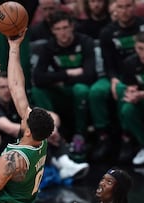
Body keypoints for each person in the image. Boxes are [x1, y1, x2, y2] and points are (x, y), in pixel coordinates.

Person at [0, 30, 55, 202]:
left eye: (25, 119)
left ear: (28, 131)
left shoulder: (12, 159)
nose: (23, 115)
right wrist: (14, 47)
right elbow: (17, 88)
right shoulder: (42, 141)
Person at [31, 10, 97, 160]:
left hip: (79, 89)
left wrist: (57, 79)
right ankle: (51, 132)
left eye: (65, 27)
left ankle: (80, 136)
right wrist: (68, 74)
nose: (63, 32)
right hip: (61, 91)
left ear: (72, 27)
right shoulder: (48, 46)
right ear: (53, 31)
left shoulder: (85, 42)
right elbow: (38, 77)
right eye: (58, 29)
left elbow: (89, 75)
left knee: (81, 89)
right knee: (37, 90)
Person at [92, 0, 144, 161]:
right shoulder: (107, 32)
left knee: (126, 93)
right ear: (114, 9)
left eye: (128, 6)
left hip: (143, 74)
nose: (125, 10)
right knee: (100, 91)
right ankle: (104, 137)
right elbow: (107, 63)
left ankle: (127, 137)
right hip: (118, 75)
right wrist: (113, 80)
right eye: (121, 7)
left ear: (134, 6)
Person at [118, 32, 144, 168]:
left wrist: (141, 94)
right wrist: (131, 92)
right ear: (135, 48)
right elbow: (131, 85)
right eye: (141, 49)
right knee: (127, 109)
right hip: (143, 100)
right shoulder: (130, 63)